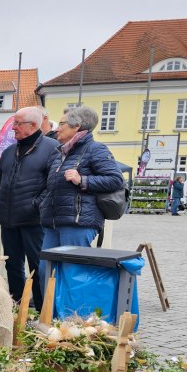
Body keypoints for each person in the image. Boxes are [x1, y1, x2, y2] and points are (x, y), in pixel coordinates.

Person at [37, 105, 123, 288]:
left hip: (77, 223)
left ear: (77, 126)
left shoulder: (95, 149)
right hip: (53, 221)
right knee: (45, 271)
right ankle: (50, 315)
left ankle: (73, 315)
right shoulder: (60, 152)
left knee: (72, 273)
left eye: (62, 124)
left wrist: (82, 179)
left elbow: (116, 180)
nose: (57, 128)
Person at [0, 106, 59, 311]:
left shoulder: (52, 148)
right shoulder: (10, 151)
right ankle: (16, 310)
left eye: (17, 123)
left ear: (32, 125)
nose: (13, 127)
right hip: (8, 219)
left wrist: (36, 206)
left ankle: (41, 313)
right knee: (13, 266)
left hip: (33, 222)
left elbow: (53, 184)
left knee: (37, 267)